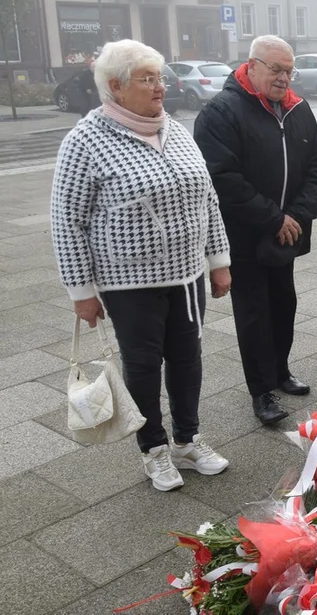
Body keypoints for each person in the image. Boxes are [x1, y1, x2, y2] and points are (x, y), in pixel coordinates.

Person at [50, 39, 232, 491]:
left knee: (188, 359)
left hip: (187, 273)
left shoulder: (174, 128)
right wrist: (82, 292)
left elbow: (207, 197)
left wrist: (219, 261)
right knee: (144, 365)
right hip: (129, 281)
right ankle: (153, 449)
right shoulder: (86, 141)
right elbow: (66, 221)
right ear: (115, 87)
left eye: (160, 78)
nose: (159, 88)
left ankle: (187, 441)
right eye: (147, 79)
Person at [193, 35, 317, 425]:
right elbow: (222, 178)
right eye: (276, 69)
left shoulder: (297, 109)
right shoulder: (222, 111)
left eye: (289, 70)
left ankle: (280, 370)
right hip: (246, 235)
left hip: (286, 234)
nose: (284, 78)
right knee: (254, 312)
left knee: (284, 303)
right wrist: (274, 217)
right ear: (251, 66)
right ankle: (261, 390)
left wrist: (299, 216)